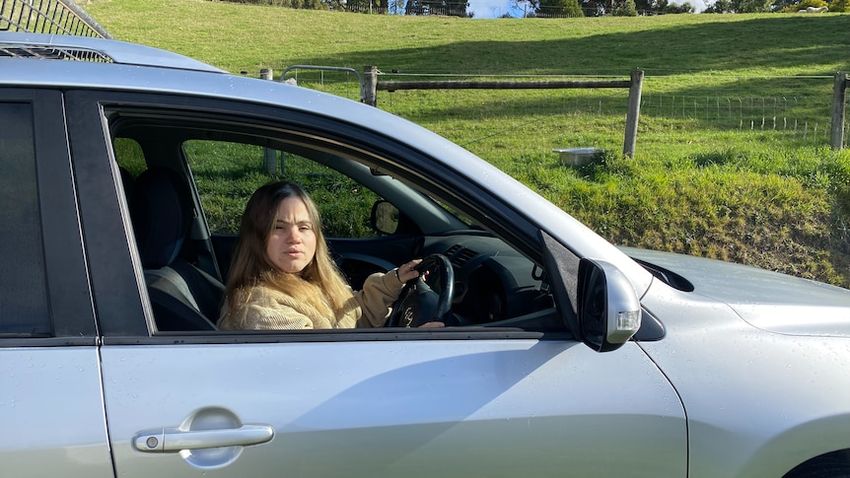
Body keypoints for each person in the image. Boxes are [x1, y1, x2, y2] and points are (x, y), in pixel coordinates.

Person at [218, 181, 438, 330]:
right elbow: (329, 366)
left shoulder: (308, 281)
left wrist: (395, 281)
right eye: (278, 227)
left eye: (304, 227)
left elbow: (354, 315)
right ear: (256, 237)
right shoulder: (261, 309)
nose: (295, 238)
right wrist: (411, 346)